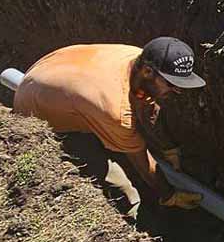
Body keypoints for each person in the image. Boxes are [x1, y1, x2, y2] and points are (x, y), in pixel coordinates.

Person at [11, 37, 205, 213]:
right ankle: (133, 219)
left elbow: (147, 105)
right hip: (40, 118)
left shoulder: (136, 57)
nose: (178, 90)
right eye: (171, 84)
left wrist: (168, 148)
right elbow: (142, 163)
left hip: (50, 76)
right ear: (147, 72)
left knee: (113, 128)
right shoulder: (115, 110)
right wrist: (169, 195)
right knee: (125, 192)